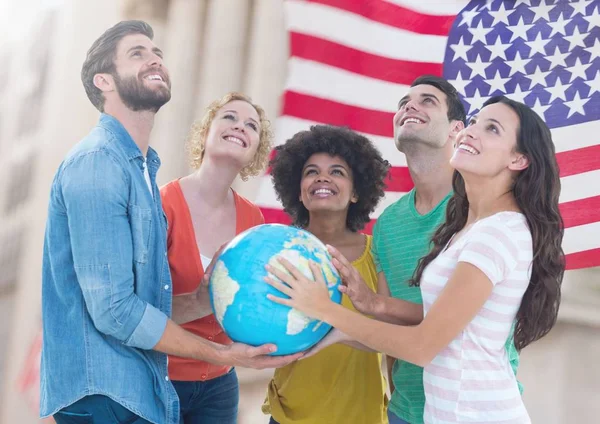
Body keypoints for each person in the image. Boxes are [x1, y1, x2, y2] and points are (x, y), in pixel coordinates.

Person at [41, 21, 300, 424]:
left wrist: (208, 307)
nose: (155, 58)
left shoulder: (141, 172)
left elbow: (147, 298)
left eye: (155, 51)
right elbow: (115, 310)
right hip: (107, 388)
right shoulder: (99, 165)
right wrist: (220, 352)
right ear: (104, 81)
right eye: (137, 53)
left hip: (143, 386)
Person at [267, 95, 565, 423]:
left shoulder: (497, 234)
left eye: (492, 128)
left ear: (519, 159)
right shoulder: (472, 227)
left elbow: (423, 347)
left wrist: (328, 311)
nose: (472, 131)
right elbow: (449, 317)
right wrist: (375, 305)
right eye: (476, 121)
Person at [337, 75, 523, 424]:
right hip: (405, 411)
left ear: (457, 129)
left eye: (427, 101)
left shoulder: (482, 212)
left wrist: (327, 315)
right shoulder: (388, 224)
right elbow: (384, 322)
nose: (410, 106)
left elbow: (452, 327)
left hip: (474, 409)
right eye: (404, 102)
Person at [262, 125, 391, 424]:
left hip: (363, 415)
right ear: (299, 192)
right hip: (288, 415)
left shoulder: (377, 253)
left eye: (337, 172)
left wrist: (335, 328)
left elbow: (393, 336)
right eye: (311, 171)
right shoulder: (279, 250)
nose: (323, 177)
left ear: (357, 192)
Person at [160, 91, 274, 424]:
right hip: (158, 380)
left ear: (254, 150)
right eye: (229, 117)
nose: (240, 126)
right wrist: (200, 301)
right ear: (206, 132)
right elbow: (138, 311)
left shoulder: (254, 221)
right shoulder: (162, 204)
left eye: (251, 125)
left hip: (220, 387)